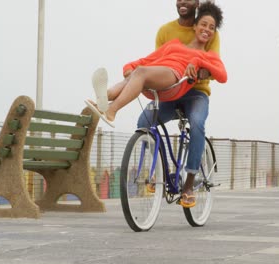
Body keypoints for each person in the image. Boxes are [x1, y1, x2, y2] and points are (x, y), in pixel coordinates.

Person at [86, 1, 225, 208]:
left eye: (211, 27)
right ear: (194, 26)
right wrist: (129, 67)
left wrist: (199, 66)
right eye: (203, 25)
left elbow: (220, 73)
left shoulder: (207, 51)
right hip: (168, 85)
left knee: (196, 124)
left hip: (193, 92)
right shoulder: (172, 41)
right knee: (144, 116)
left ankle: (188, 186)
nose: (206, 29)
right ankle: (104, 100)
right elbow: (152, 59)